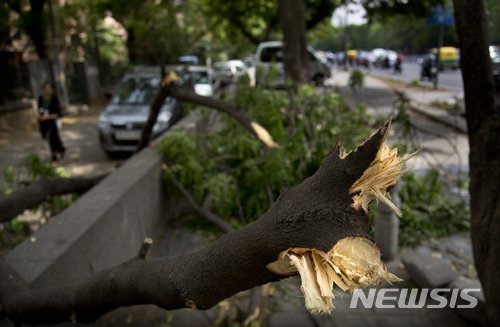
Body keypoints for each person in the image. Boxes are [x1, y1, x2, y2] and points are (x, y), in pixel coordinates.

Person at [38, 82, 66, 167]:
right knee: (52, 139)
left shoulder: (54, 99)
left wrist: (48, 116)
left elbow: (58, 113)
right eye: (45, 89)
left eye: (48, 89)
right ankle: (61, 149)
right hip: (44, 123)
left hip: (54, 122)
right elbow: (41, 109)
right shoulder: (41, 99)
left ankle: (54, 158)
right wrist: (41, 116)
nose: (47, 91)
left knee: (53, 139)